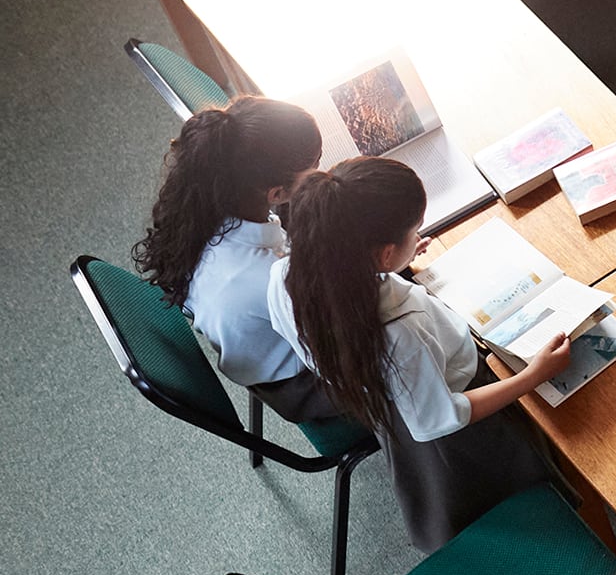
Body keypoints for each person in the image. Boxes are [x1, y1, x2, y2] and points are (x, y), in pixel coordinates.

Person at [265, 156, 568, 550]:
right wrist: (531, 376)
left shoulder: (284, 277)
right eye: (414, 231)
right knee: (535, 480)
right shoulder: (400, 331)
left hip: (387, 396)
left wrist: (393, 264)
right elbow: (441, 418)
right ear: (384, 254)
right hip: (454, 413)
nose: (418, 235)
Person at [132, 96, 335, 421]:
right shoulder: (267, 276)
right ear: (276, 194)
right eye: (314, 164)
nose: (320, 171)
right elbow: (338, 340)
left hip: (259, 347)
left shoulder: (201, 203)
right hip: (303, 384)